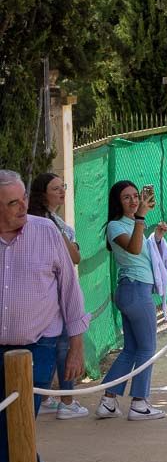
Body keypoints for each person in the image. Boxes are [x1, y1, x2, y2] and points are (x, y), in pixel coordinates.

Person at [0, 170, 87, 462]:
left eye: (24, 198)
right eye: (13, 203)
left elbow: (70, 292)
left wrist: (76, 348)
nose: (23, 206)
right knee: (5, 427)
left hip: (38, 348)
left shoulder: (48, 232)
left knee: (16, 425)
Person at [96, 180, 166, 420]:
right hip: (134, 291)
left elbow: (143, 251)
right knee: (147, 348)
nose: (134, 200)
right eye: (127, 197)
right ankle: (139, 403)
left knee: (132, 349)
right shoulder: (116, 226)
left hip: (135, 290)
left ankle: (108, 401)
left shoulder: (133, 224)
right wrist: (141, 218)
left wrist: (155, 237)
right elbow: (134, 250)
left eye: (136, 196)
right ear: (117, 202)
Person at [27, 173, 87, 420]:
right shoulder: (43, 224)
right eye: (55, 188)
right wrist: (58, 233)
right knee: (61, 347)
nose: (62, 192)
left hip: (58, 291)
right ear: (42, 195)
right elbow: (74, 256)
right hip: (54, 296)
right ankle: (67, 400)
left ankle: (48, 396)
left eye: (63, 187)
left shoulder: (56, 221)